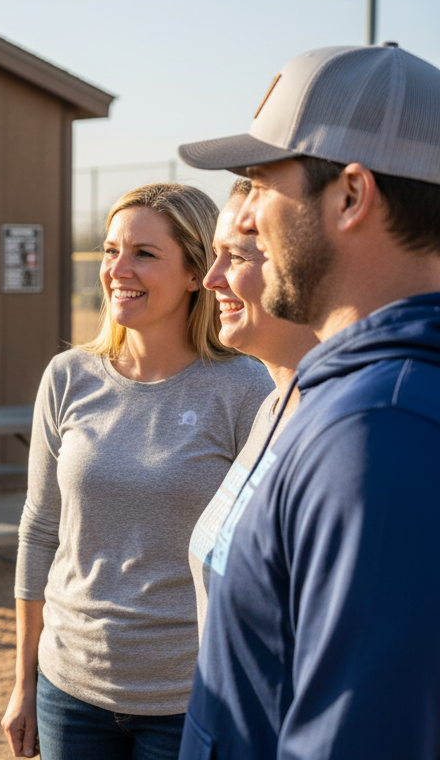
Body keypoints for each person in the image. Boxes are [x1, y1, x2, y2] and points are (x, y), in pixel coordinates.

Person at [177, 43, 440, 759]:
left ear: (351, 195)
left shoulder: (379, 430)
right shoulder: (347, 396)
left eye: (261, 182)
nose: (248, 216)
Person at [1, 183, 272, 760]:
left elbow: (259, 563)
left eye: (144, 254)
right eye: (109, 250)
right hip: (67, 690)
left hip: (190, 696)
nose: (117, 269)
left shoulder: (247, 389)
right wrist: (25, 681)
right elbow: (39, 529)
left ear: (198, 271)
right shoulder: (68, 376)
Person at [189, 178, 318, 639]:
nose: (210, 278)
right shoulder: (272, 406)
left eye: (237, 257)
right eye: (215, 254)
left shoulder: (334, 429)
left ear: (300, 267)